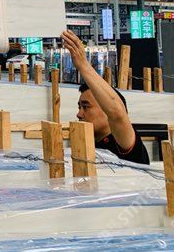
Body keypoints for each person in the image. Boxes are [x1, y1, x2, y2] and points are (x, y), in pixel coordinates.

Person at [62, 30, 150, 165]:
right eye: (79, 107)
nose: (79, 114)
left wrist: (83, 65)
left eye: (86, 107)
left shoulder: (124, 142)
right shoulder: (89, 144)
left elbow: (117, 112)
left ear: (106, 110)